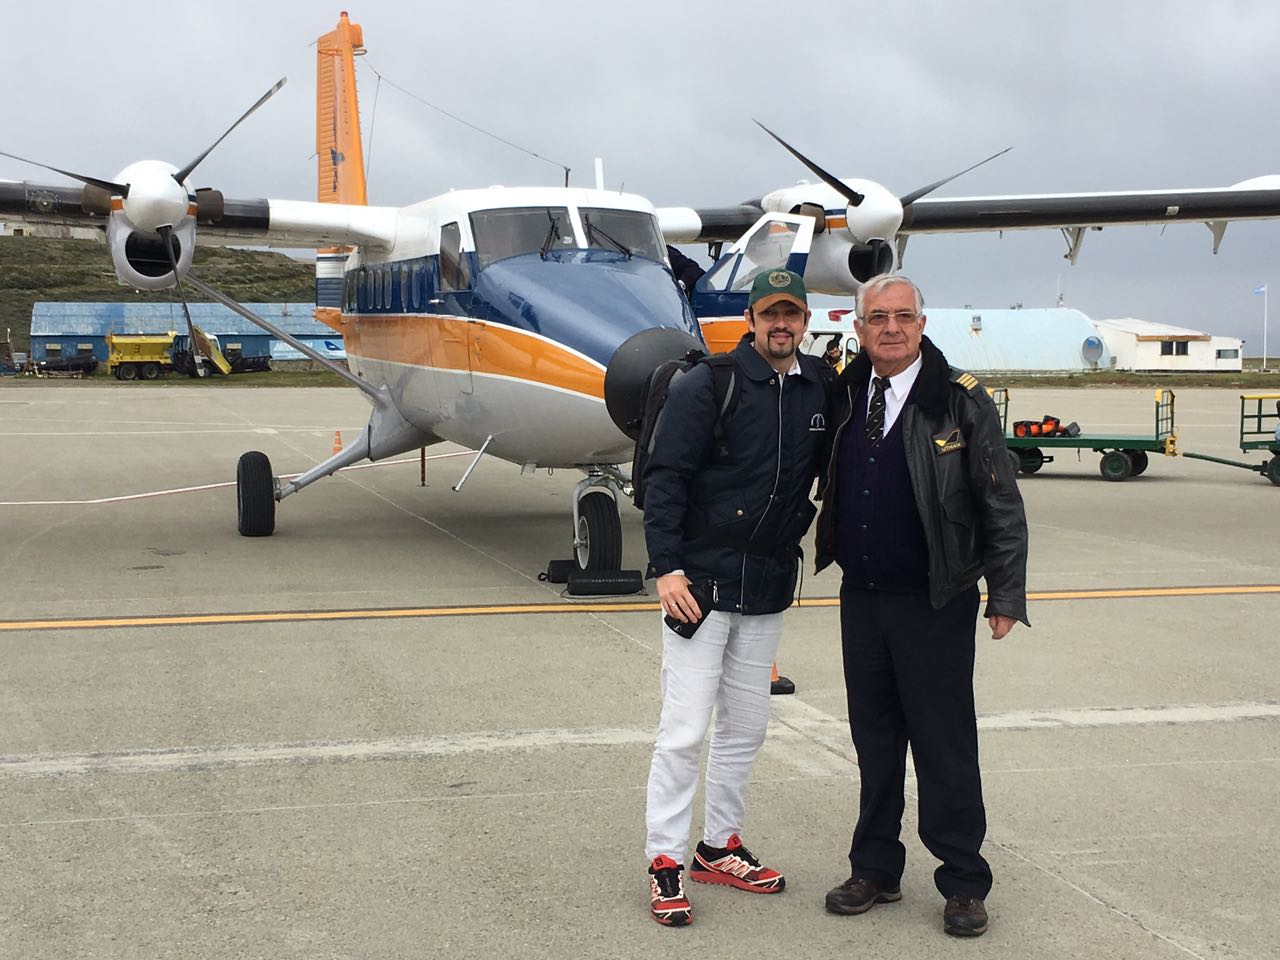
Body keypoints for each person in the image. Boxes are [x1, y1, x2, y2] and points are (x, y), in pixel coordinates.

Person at [813, 274, 1029, 938]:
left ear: (922, 323)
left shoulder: (958, 402)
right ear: (858, 329)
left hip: (936, 599)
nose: (891, 328)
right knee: (875, 743)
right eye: (877, 317)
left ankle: (963, 881)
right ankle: (874, 869)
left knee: (944, 745)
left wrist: (1006, 591)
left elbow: (999, 499)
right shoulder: (846, 393)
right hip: (863, 599)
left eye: (903, 315)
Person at [641, 268, 832, 926]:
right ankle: (665, 860)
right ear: (750, 320)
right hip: (699, 585)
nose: (782, 326)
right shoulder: (709, 385)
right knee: (685, 730)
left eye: (793, 315)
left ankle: (719, 846)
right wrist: (665, 568)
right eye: (770, 314)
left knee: (747, 727)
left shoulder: (819, 387)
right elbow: (664, 477)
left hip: (769, 585)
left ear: (805, 322)